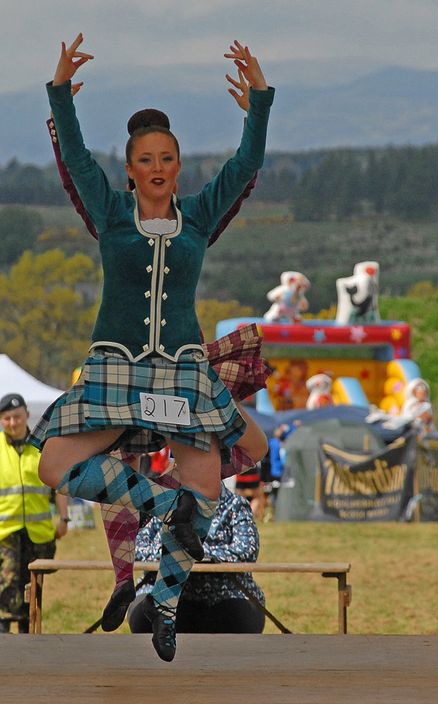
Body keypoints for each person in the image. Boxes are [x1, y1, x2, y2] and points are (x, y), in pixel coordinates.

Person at [32, 34, 273, 661]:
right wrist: (60, 94)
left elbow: (245, 170)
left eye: (167, 157)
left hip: (183, 378)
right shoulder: (110, 213)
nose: (158, 167)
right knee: (54, 464)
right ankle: (160, 502)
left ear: (177, 165)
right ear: (132, 168)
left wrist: (260, 104)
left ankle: (164, 603)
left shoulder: (196, 219)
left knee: (208, 496)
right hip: (117, 371)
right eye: (146, 159)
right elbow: (79, 160)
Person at [128, 483, 265, 634]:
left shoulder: (236, 504)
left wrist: (202, 554)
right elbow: (137, 549)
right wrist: (176, 553)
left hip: (228, 594)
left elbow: (247, 551)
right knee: (146, 618)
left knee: (239, 620)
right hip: (162, 591)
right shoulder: (159, 503)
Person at [0, 393, 69, 634]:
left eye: (16, 417)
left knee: (32, 592)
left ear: (27, 416)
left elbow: (59, 485)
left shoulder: (41, 446)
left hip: (37, 535)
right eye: (7, 418)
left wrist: (63, 517)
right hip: (4, 534)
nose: (12, 423)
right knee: (6, 587)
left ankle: (29, 639)